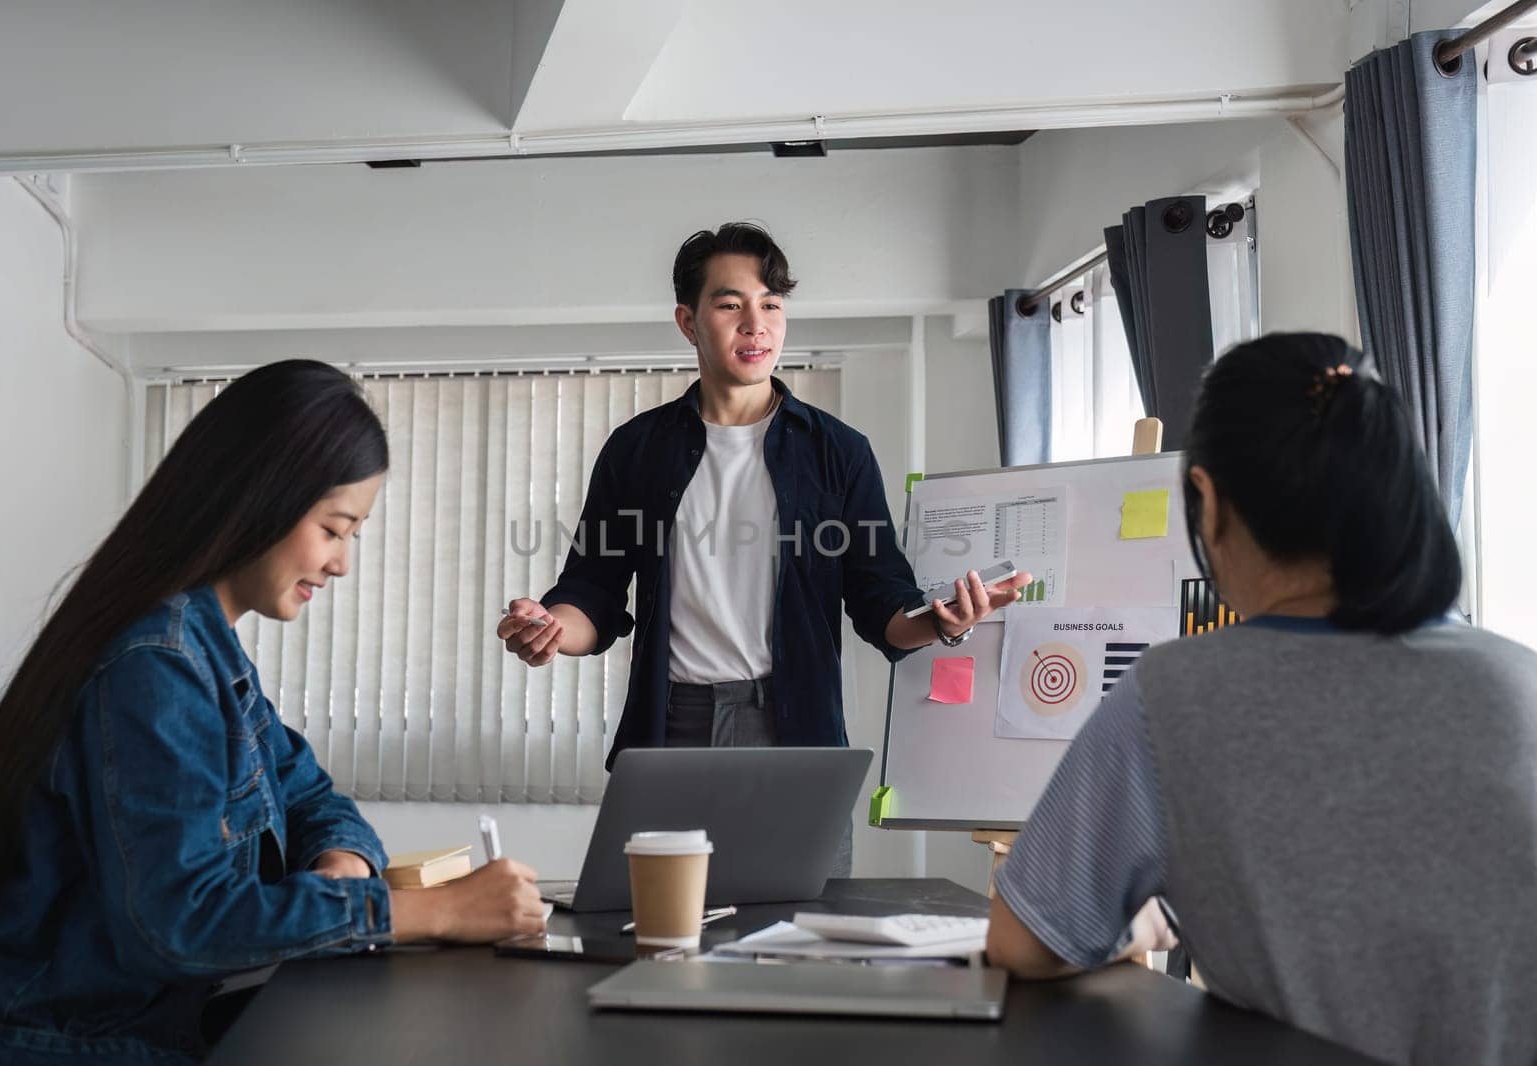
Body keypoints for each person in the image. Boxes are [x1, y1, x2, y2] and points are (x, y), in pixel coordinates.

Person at [0, 361, 547, 1065]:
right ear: (263, 497)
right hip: (47, 1040)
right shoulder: (155, 662)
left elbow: (309, 792)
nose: (342, 563)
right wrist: (432, 911)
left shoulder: (206, 649)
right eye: (334, 529)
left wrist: (342, 860)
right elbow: (181, 925)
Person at [984, 333, 1537, 1066]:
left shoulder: (1170, 698)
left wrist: (1143, 927)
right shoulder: (1520, 680)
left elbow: (1023, 943)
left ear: (1209, 501)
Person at [498, 222, 1029, 875]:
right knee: (660, 943)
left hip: (794, 729)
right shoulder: (637, 450)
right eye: (731, 304)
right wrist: (551, 629)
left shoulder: (837, 451)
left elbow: (879, 598)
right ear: (688, 323)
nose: (757, 324)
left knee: (801, 952)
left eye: (771, 305)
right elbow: (593, 593)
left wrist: (940, 622)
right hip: (672, 729)